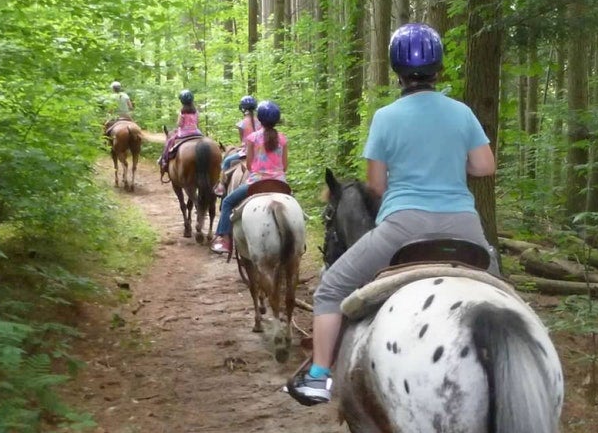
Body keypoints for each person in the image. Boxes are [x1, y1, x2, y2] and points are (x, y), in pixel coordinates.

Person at [287, 23, 495, 405]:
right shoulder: (462, 112)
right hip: (466, 229)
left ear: (396, 70)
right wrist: (449, 162)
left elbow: (377, 186)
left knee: (331, 289)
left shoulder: (385, 116)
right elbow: (484, 167)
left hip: (404, 228)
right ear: (439, 68)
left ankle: (318, 377)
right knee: (502, 296)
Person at [211, 99, 287, 255]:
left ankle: (224, 239)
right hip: (280, 183)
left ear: (261, 118)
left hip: (257, 182)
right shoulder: (283, 139)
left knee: (227, 202)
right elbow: (285, 166)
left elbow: (251, 165)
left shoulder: (253, 138)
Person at [158, 90, 202, 175]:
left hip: (184, 133)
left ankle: (164, 160)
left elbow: (180, 124)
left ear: (182, 101)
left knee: (170, 142)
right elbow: (197, 123)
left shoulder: (182, 112)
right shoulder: (196, 111)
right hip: (196, 132)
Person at [221, 95, 259, 175]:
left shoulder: (241, 124)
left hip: (247, 152)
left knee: (227, 161)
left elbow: (243, 142)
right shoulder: (261, 122)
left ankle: (221, 184)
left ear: (242, 108)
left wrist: (241, 147)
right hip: (260, 151)